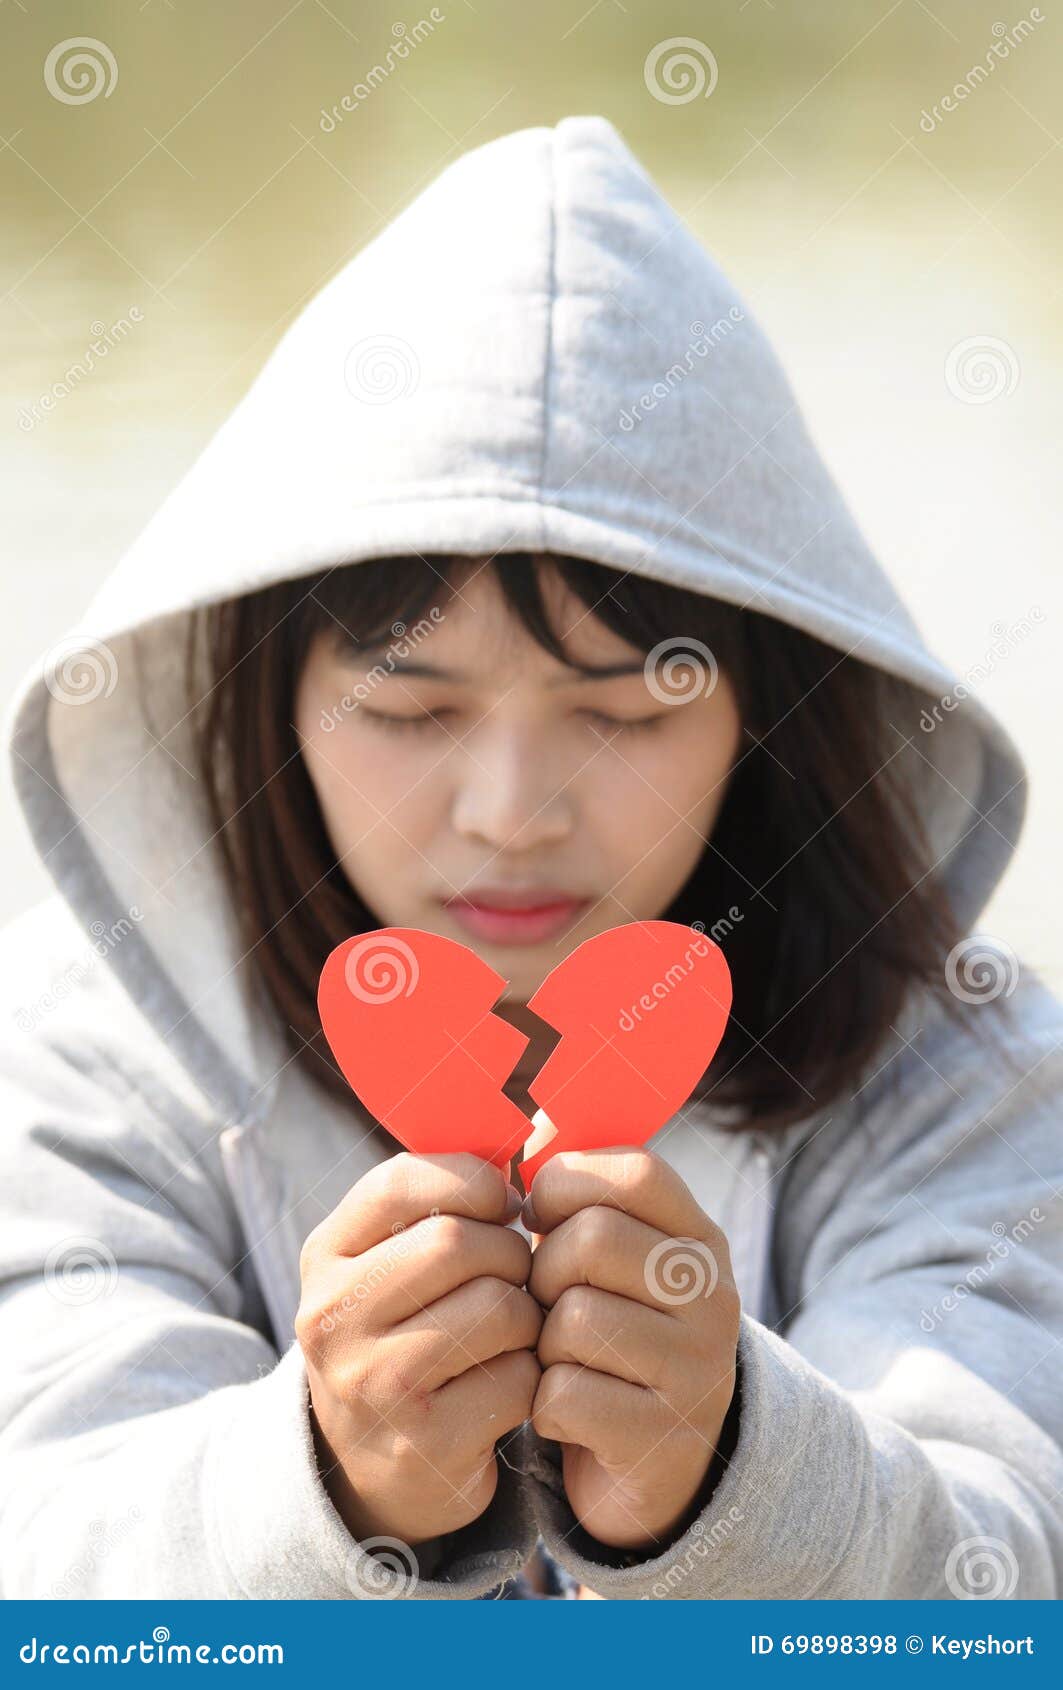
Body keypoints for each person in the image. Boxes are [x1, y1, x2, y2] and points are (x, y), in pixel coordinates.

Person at [2, 116, 1060, 1601]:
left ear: (772, 718)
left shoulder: (966, 1067)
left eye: (626, 710)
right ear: (270, 703)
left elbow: (1006, 1574)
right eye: (408, 706)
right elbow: (42, 1577)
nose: (511, 810)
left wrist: (727, 1474)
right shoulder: (80, 1067)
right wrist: (329, 1480)